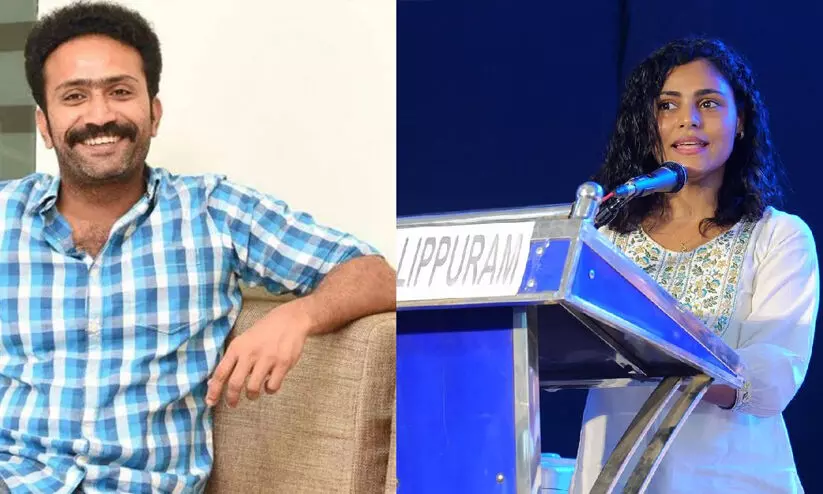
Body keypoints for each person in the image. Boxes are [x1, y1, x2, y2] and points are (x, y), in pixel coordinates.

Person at [0, 2, 395, 493]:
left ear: (154, 112)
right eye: (74, 96)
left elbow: (376, 274)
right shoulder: (5, 216)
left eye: (120, 91)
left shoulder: (212, 211)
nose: (100, 116)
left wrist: (300, 316)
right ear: (44, 124)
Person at [570, 37, 819, 493]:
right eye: (668, 105)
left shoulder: (778, 236)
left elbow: (775, 373)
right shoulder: (606, 238)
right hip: (617, 477)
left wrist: (667, 360)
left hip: (735, 479)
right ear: (649, 126)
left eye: (708, 103)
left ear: (740, 121)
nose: (688, 119)